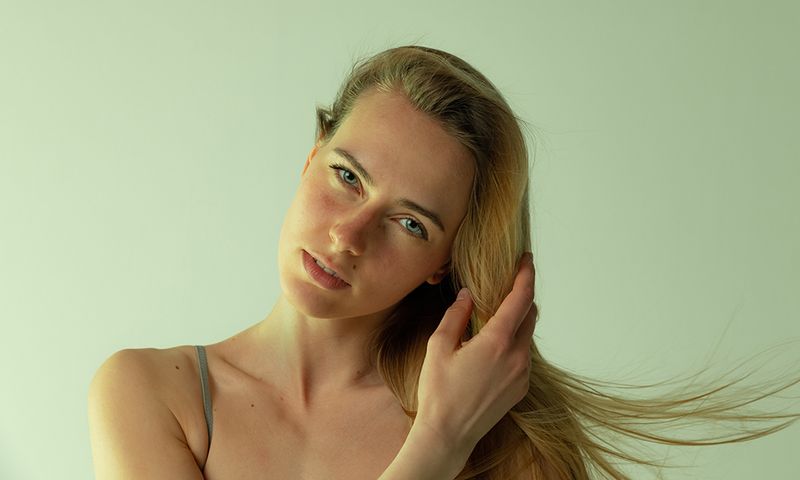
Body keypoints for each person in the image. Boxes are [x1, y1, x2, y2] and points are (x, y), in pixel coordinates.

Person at [88, 46, 798, 479]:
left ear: (443, 264)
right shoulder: (155, 394)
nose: (348, 237)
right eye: (346, 177)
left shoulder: (501, 439)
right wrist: (435, 447)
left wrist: (456, 433)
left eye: (408, 222)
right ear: (310, 157)